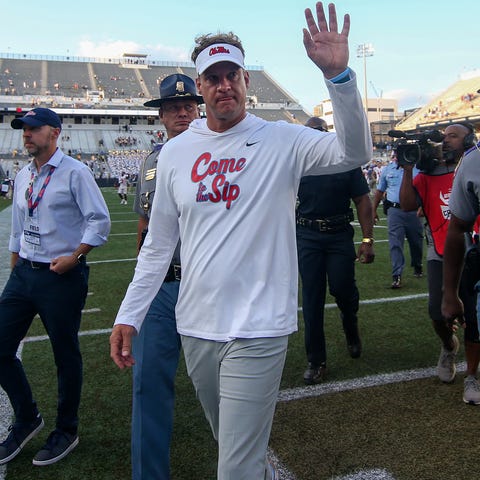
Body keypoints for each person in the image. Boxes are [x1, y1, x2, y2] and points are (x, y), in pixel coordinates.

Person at [110, 3, 372, 479]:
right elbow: (157, 244)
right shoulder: (175, 153)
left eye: (233, 74)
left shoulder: (281, 140)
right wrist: (130, 314)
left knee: (234, 470)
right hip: (197, 325)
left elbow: (355, 151)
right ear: (201, 86)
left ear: (247, 81)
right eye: (213, 77)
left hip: (259, 327)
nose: (224, 84)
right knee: (235, 448)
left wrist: (340, 78)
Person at [0, 107, 110, 466]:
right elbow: (19, 226)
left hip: (61, 274)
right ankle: (28, 417)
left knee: (65, 354)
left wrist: (76, 256)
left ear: (55, 132)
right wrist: (16, 267)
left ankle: (66, 428)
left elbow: (99, 221)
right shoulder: (23, 176)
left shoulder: (75, 172)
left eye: (33, 128)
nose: (26, 135)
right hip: (25, 273)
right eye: (23, 130)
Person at [131, 74, 202, 480]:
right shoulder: (151, 162)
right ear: (161, 116)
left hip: (205, 285)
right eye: (174, 107)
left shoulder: (222, 154)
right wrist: (137, 290)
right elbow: (144, 226)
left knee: (225, 387)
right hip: (160, 288)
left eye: (189, 105)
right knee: (148, 385)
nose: (182, 111)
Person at [400, 122, 480, 404]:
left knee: (474, 315)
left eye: (453, 135)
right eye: (443, 136)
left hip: (472, 251)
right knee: (437, 311)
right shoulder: (428, 172)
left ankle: (472, 373)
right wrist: (408, 168)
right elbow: (407, 204)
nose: (445, 141)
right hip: (440, 250)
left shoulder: (471, 164)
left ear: (469, 139)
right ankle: (448, 346)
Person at [297, 117, 374, 384]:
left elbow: (363, 200)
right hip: (307, 234)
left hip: (339, 234)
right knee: (312, 298)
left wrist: (367, 240)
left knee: (342, 288)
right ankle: (316, 359)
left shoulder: (344, 161)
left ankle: (350, 324)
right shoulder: (297, 164)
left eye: (319, 133)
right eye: (311, 134)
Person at [442, 140, 480, 404]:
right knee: (475, 325)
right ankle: (473, 375)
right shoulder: (473, 162)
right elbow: (457, 229)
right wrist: (450, 293)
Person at [372, 153, 424, 288]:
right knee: (395, 243)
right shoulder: (387, 169)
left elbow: (426, 189)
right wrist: (373, 210)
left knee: (416, 241)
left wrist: (424, 206)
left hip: (413, 211)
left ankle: (417, 264)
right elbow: (380, 190)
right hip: (394, 210)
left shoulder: (419, 168)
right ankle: (397, 274)